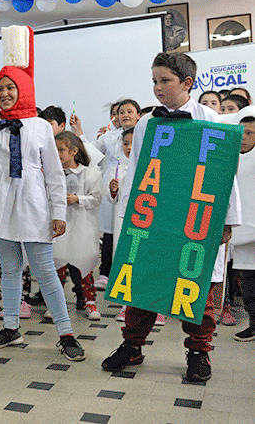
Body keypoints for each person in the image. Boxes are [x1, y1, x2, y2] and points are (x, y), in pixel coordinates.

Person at [102, 52, 241, 382]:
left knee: (195, 286)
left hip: (197, 217)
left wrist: (226, 221)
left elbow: (224, 174)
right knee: (144, 281)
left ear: (187, 83)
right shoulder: (147, 123)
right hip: (155, 217)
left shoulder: (211, 117)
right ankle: (132, 346)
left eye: (165, 80)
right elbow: (136, 172)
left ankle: (198, 351)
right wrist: (130, 215)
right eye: (154, 81)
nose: (158, 88)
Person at [0, 29, 85, 361]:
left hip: (34, 205)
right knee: (9, 269)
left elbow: (53, 173)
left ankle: (66, 333)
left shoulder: (39, 125)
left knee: (44, 270)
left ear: (22, 89)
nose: (5, 94)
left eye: (11, 88)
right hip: (0, 206)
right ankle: (11, 327)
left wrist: (58, 213)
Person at [71, 98, 140, 292]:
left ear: (139, 115)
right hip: (113, 185)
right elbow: (91, 153)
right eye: (121, 112)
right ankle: (106, 272)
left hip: (136, 187)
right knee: (110, 231)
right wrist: (79, 132)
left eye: (129, 111)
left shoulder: (144, 135)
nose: (125, 115)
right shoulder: (109, 136)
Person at [49, 131, 102, 321]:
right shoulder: (52, 174)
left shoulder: (89, 173)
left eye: (61, 150)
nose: (57, 154)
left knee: (83, 264)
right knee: (58, 262)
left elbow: (96, 198)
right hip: (59, 225)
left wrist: (77, 199)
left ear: (73, 151)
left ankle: (90, 302)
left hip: (82, 226)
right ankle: (56, 303)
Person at [230, 108, 255, 341]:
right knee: (248, 285)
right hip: (242, 234)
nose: (245, 137)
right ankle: (254, 323)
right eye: (242, 132)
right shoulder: (231, 159)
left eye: (251, 133)